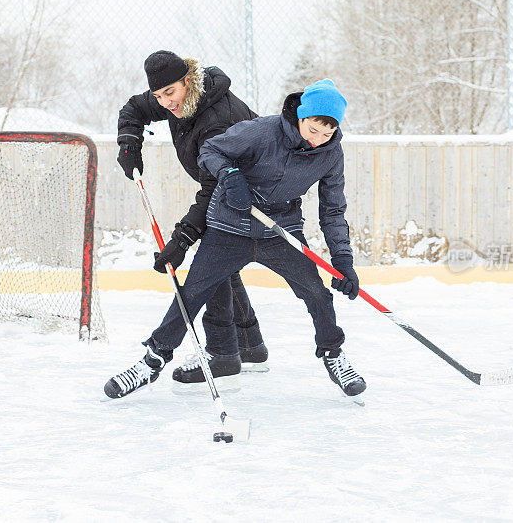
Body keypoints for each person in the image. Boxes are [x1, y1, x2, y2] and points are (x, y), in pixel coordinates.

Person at [104, 79, 366, 400]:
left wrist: (343, 261)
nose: (318, 140)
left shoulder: (329, 154)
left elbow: (333, 210)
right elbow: (210, 150)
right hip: (229, 226)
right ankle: (152, 361)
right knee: (191, 295)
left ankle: (333, 354)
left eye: (327, 134)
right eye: (313, 130)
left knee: (316, 292)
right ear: (301, 115)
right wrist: (230, 177)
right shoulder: (263, 131)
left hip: (279, 231)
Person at [116, 50, 268, 384]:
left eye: (169, 92)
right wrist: (129, 141)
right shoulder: (178, 96)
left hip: (253, 192)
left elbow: (215, 189)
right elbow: (134, 108)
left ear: (188, 80)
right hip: (225, 185)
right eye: (159, 95)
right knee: (220, 260)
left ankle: (223, 354)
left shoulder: (216, 121)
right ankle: (248, 344)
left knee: (210, 260)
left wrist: (183, 238)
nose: (165, 102)